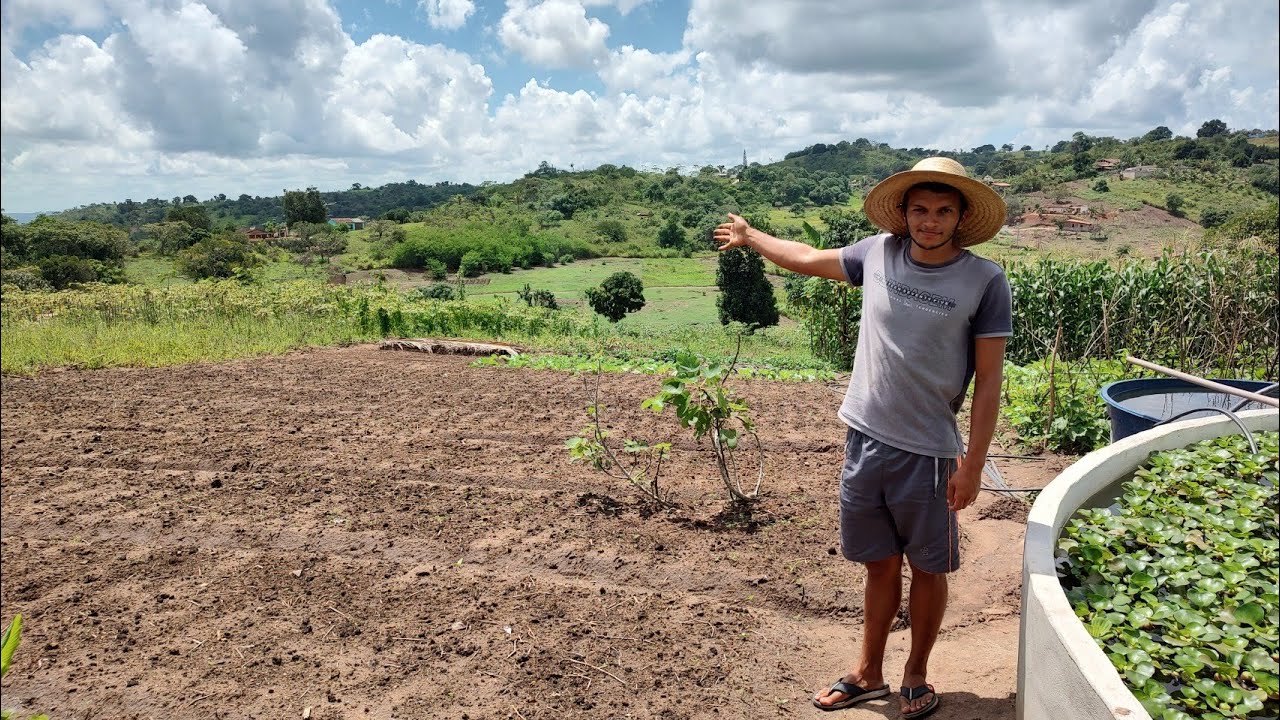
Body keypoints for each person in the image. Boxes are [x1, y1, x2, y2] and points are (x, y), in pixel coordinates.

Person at [714, 157, 1011, 719]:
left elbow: (990, 381)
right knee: (878, 563)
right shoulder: (877, 253)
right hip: (864, 440)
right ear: (903, 213)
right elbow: (804, 258)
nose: (930, 221)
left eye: (943, 211)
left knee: (929, 567)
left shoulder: (984, 281)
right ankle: (868, 672)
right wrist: (752, 238)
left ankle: (916, 674)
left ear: (961, 216)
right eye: (919, 209)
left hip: (928, 452)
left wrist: (972, 464)